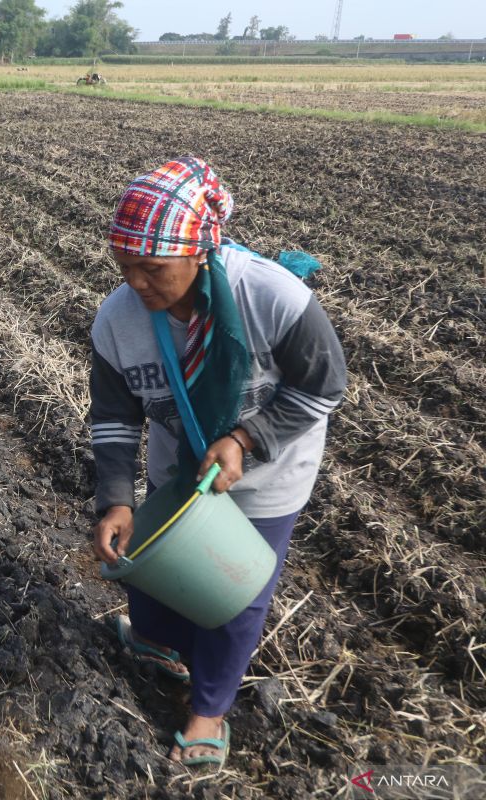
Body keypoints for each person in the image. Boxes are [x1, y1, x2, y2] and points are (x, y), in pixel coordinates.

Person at [89, 157, 347, 769]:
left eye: (153, 268)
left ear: (199, 252)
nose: (137, 283)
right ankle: (154, 643)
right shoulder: (118, 321)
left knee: (236, 590)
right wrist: (116, 500)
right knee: (150, 567)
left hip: (268, 474)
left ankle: (208, 710)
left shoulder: (273, 297)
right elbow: (115, 419)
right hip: (181, 468)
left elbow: (323, 386)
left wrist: (248, 437)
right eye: (124, 267)